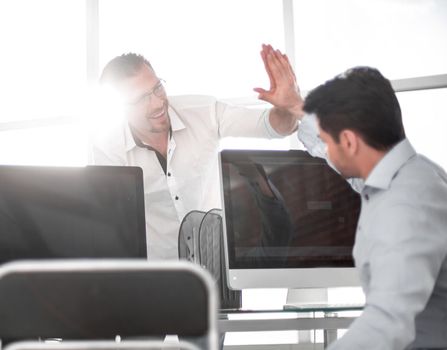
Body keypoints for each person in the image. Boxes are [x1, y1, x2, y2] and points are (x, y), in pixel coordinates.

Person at [275, 62, 447, 348]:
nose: (326, 149)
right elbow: (337, 158)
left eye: (329, 141)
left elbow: (387, 324)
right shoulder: (406, 175)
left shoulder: (405, 205)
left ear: (350, 142)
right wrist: (297, 107)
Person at [91, 44, 303, 260]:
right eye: (141, 99)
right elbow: (110, 228)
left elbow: (275, 127)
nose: (156, 103)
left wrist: (288, 106)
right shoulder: (108, 150)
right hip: (156, 277)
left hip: (217, 270)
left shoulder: (205, 112)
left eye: (157, 88)